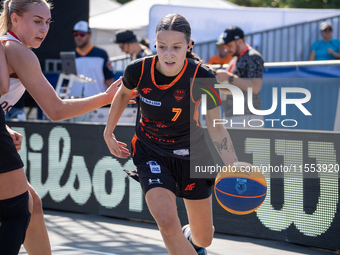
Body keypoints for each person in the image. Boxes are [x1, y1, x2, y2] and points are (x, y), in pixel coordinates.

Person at [104, 13, 238, 255]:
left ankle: (191, 238)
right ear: (154, 43)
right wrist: (108, 131)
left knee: (204, 238)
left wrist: (234, 166)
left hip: (193, 155)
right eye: (162, 47)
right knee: (166, 222)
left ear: (189, 46)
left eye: (176, 47)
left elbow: (216, 126)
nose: (168, 54)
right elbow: (123, 94)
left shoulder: (204, 76)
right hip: (151, 151)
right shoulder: (138, 70)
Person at [0, 0, 125, 254]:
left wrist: (5, 127)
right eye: (37, 21)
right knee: (18, 211)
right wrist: (105, 97)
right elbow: (55, 110)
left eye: (47, 22)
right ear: (14, 19)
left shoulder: (8, 46)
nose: (44, 28)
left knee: (32, 203)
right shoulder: (17, 50)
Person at [215, 26, 264, 127]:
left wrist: (229, 77)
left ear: (239, 41)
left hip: (247, 116)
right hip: (234, 116)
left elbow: (255, 87)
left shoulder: (253, 56)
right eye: (225, 46)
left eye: (229, 45)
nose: (226, 49)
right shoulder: (235, 58)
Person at [70, 20, 115, 121]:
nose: (78, 37)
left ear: (89, 35)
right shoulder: (70, 55)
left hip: (98, 104)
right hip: (76, 104)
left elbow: (109, 80)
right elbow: (66, 82)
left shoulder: (101, 54)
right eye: (75, 34)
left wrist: (113, 101)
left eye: (81, 34)